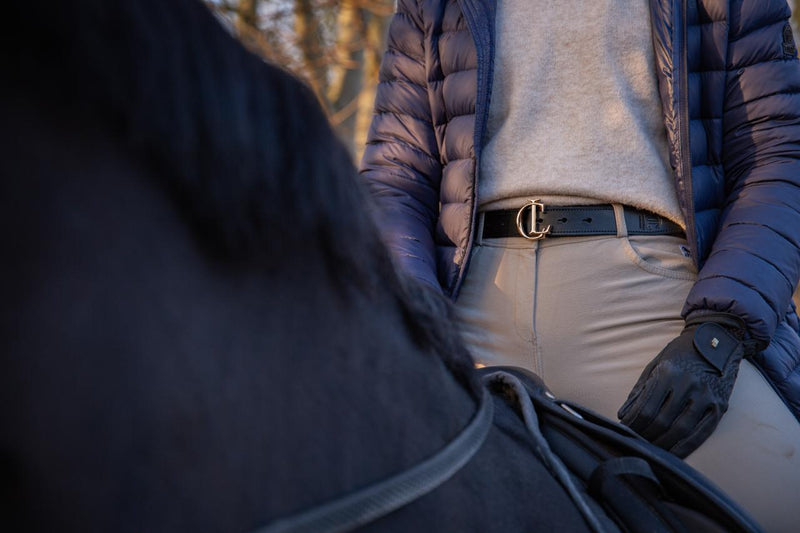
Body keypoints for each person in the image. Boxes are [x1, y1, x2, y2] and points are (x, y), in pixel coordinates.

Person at [360, 0, 800, 530]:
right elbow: (394, 179)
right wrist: (414, 319)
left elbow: (778, 159)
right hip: (465, 309)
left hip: (657, 307)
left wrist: (719, 333)